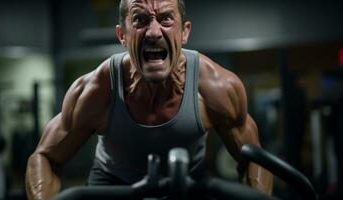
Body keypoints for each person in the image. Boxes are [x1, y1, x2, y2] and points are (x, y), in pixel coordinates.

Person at [25, 0, 273, 199]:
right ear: (122, 35)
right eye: (140, 20)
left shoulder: (217, 87)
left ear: (184, 32)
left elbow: (253, 160)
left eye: (166, 18)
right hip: (112, 187)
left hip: (188, 184)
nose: (154, 32)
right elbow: (45, 157)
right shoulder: (96, 90)